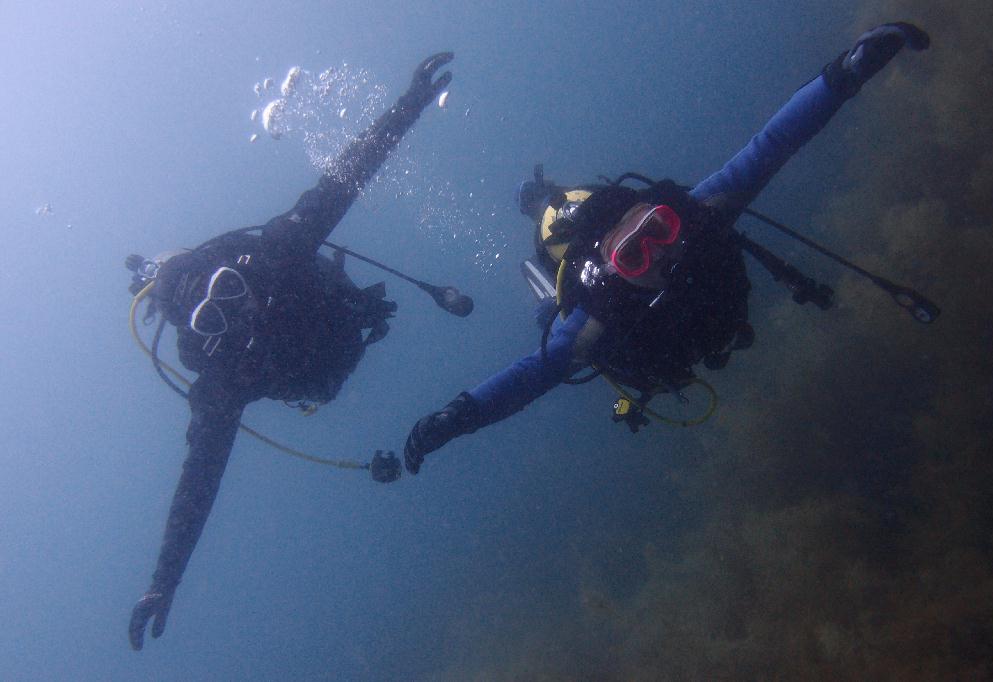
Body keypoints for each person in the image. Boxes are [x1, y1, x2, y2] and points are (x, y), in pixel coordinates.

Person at [403, 23, 930, 473]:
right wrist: (456, 417)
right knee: (552, 319)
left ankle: (546, 218)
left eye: (656, 231)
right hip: (594, 306)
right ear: (615, 273)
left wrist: (849, 71)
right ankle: (545, 278)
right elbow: (533, 374)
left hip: (669, 316)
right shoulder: (597, 312)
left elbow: (770, 145)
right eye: (633, 256)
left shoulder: (701, 213)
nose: (658, 256)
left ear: (667, 214)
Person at [126, 52, 454, 650]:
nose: (232, 306)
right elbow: (198, 483)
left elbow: (346, 178)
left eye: (223, 287)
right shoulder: (221, 374)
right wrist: (163, 582)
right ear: (195, 331)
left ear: (228, 264)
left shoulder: (275, 253)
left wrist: (408, 105)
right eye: (210, 313)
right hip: (328, 360)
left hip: (340, 330)